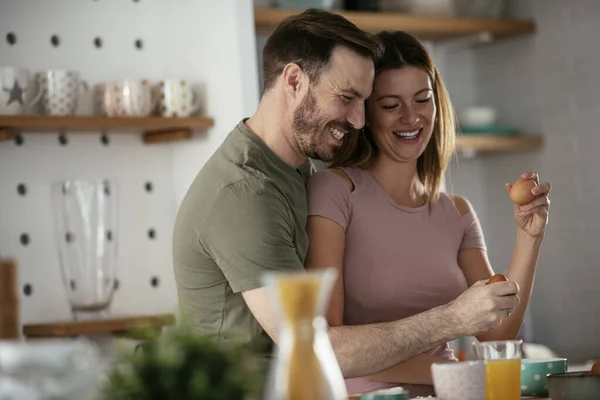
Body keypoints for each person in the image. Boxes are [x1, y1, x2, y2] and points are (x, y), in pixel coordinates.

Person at [172, 9, 522, 383]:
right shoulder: (245, 193)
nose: (358, 121)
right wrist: (453, 319)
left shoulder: (293, 169)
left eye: (365, 102)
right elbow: (313, 348)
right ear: (293, 81)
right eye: (346, 97)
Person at [305, 30, 551, 396]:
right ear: (366, 113)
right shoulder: (335, 193)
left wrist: (529, 237)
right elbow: (326, 346)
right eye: (391, 105)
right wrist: (447, 365)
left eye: (423, 99)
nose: (411, 117)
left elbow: (497, 332)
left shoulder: (457, 211)